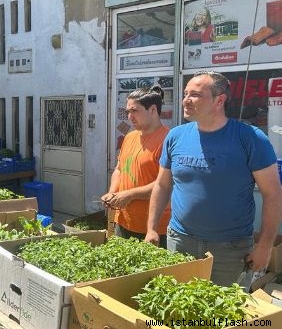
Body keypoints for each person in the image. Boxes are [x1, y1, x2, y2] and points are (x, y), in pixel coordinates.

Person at [145, 71, 282, 286]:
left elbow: (273, 194)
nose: (186, 100)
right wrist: (152, 228)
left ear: (220, 100)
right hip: (180, 242)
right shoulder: (176, 136)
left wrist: (264, 246)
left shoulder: (250, 138)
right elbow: (163, 185)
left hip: (230, 250)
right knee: (178, 308)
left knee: (226, 315)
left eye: (195, 95)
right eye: (185, 93)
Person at [101, 86, 170, 248]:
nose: (129, 116)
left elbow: (165, 185)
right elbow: (119, 169)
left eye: (134, 111)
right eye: (128, 112)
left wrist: (129, 195)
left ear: (153, 109)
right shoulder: (130, 137)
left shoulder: (168, 139)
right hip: (124, 221)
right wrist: (113, 192)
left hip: (154, 229)